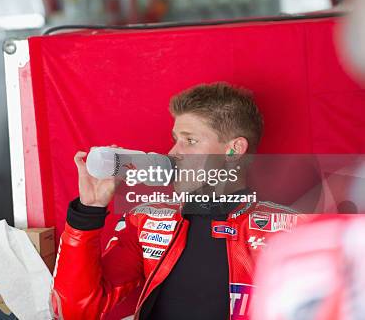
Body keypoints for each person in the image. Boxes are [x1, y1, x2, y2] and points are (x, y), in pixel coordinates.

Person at [52, 82, 300, 320]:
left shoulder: (287, 229)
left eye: (190, 140)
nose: (172, 153)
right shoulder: (147, 220)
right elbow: (77, 312)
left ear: (234, 149)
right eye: (176, 140)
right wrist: (88, 212)